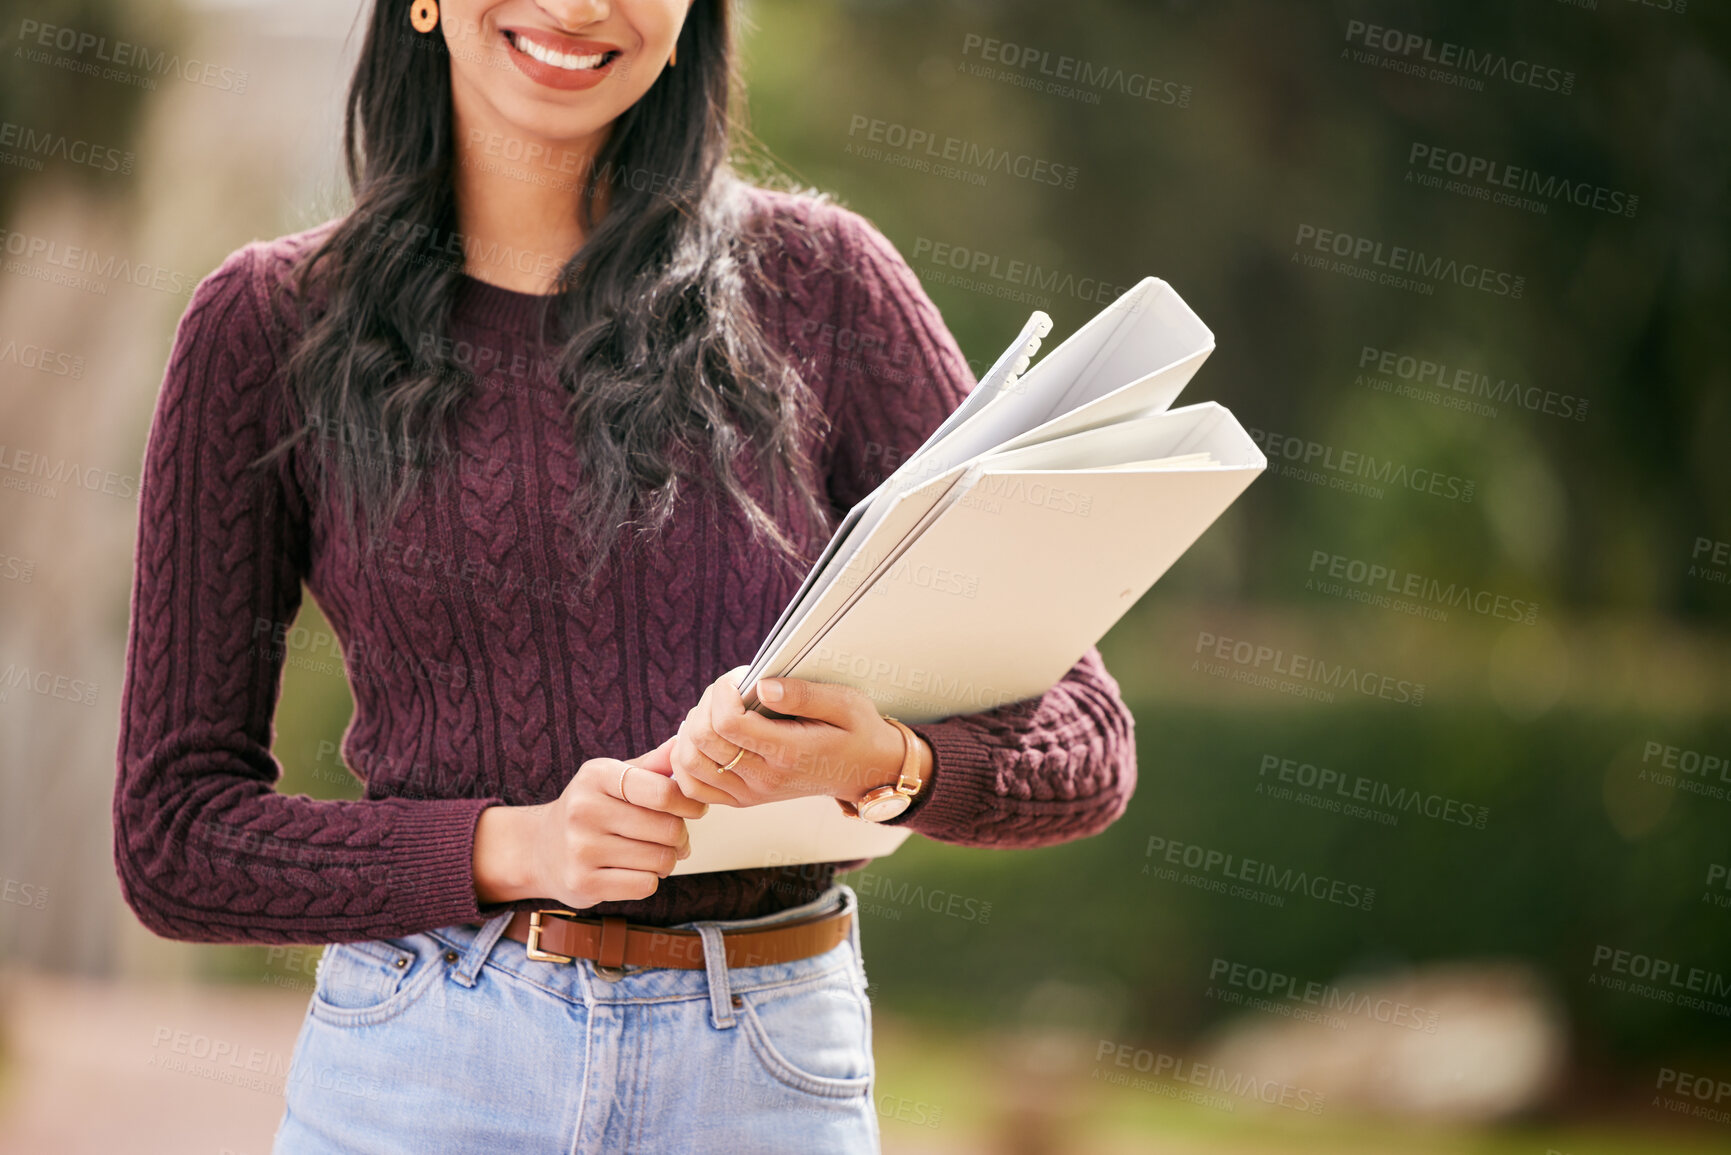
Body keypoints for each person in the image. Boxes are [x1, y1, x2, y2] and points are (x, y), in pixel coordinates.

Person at [112, 1, 1138, 1150]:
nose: (580, 6)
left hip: (763, 1073)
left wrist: (881, 763)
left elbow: (1084, 741)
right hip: (421, 1074)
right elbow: (177, 837)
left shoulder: (827, 287)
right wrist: (520, 846)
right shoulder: (268, 326)